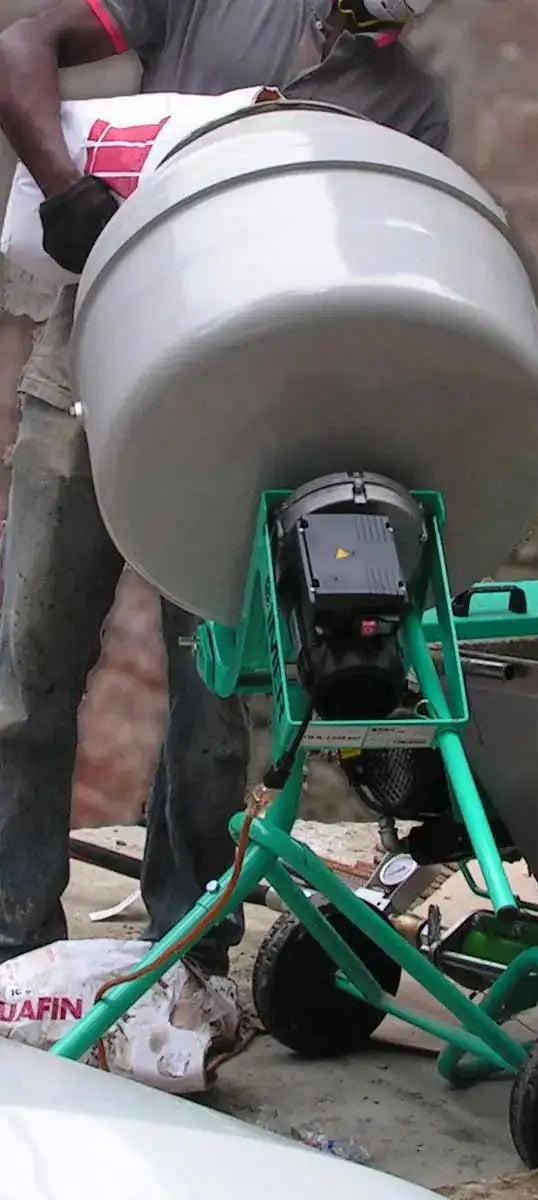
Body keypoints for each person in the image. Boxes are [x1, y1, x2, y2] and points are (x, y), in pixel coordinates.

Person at [0, 0, 450, 975]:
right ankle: (13, 942)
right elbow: (18, 47)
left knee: (213, 702)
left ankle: (188, 952)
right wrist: (66, 187)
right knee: (27, 667)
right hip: (93, 365)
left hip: (248, 406)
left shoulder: (404, 108)